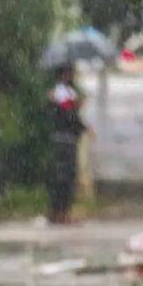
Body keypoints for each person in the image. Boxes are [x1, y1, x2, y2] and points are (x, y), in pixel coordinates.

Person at [46, 64, 88, 224]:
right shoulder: (63, 94)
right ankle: (61, 213)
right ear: (64, 74)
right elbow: (70, 117)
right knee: (65, 177)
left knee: (61, 177)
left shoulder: (59, 93)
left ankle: (58, 212)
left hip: (61, 139)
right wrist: (78, 111)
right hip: (66, 140)